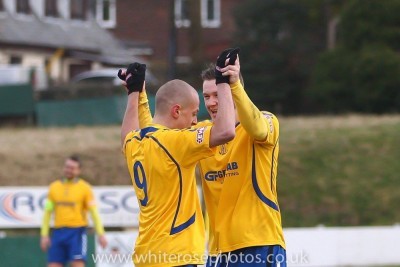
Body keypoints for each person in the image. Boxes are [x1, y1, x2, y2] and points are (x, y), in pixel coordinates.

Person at [120, 55, 236, 266]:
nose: (194, 121)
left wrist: (134, 93)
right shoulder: (176, 142)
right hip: (177, 255)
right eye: (193, 114)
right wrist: (225, 85)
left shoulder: (134, 142)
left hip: (146, 255)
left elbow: (130, 131)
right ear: (176, 111)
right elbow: (227, 130)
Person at [197, 49, 286, 267]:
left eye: (217, 94)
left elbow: (257, 128)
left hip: (258, 244)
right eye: (206, 96)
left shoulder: (266, 121)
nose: (210, 103)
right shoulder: (203, 134)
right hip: (218, 252)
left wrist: (233, 84)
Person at [40, 155, 108, 267]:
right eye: (67, 167)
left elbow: (94, 213)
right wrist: (44, 234)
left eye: (72, 168)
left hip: (77, 233)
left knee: (77, 264)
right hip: (58, 232)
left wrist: (101, 234)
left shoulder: (85, 188)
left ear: (78, 170)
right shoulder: (54, 187)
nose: (69, 170)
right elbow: (47, 213)